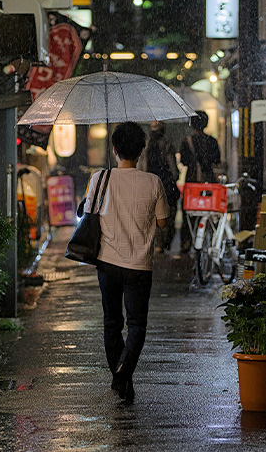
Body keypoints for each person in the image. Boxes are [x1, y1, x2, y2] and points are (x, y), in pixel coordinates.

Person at [83, 122, 169, 401]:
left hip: (107, 262)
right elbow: (163, 222)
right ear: (142, 150)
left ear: (114, 149)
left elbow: (87, 211)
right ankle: (123, 373)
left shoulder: (99, 179)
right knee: (136, 325)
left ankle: (122, 379)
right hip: (139, 266)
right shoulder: (153, 181)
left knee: (111, 323)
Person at [178, 110, 221, 251]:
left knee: (189, 212)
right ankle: (207, 239)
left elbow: (183, 161)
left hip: (192, 182)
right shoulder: (212, 141)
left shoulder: (187, 141)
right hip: (208, 183)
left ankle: (187, 242)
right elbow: (217, 160)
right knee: (207, 210)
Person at [143, 121, 179, 251]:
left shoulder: (145, 146)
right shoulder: (167, 146)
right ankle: (163, 242)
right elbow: (174, 170)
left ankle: (157, 243)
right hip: (166, 187)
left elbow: (142, 167)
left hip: (149, 186)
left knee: (152, 215)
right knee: (168, 216)